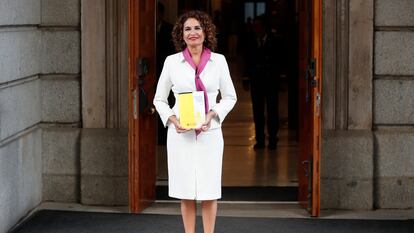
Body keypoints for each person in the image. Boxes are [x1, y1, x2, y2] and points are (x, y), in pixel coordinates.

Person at [153, 10, 237, 233]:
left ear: (206, 32)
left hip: (210, 134)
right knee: (186, 190)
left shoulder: (219, 61)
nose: (192, 33)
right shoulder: (172, 62)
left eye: (197, 28)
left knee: (209, 190)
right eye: (187, 29)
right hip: (181, 136)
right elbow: (159, 99)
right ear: (181, 35)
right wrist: (172, 119)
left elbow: (230, 96)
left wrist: (213, 114)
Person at [245, 15, 283, 150]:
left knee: (272, 111)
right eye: (254, 26)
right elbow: (247, 60)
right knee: (258, 111)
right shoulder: (250, 41)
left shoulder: (274, 40)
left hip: (271, 81)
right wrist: (246, 78)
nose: (256, 29)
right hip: (257, 82)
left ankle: (273, 138)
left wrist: (281, 77)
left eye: (258, 26)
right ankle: (259, 139)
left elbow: (280, 60)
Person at [156, 1, 175, 145]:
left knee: (169, 102)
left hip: (169, 74)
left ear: (161, 14)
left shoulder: (170, 29)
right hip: (151, 74)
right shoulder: (145, 29)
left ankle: (164, 136)